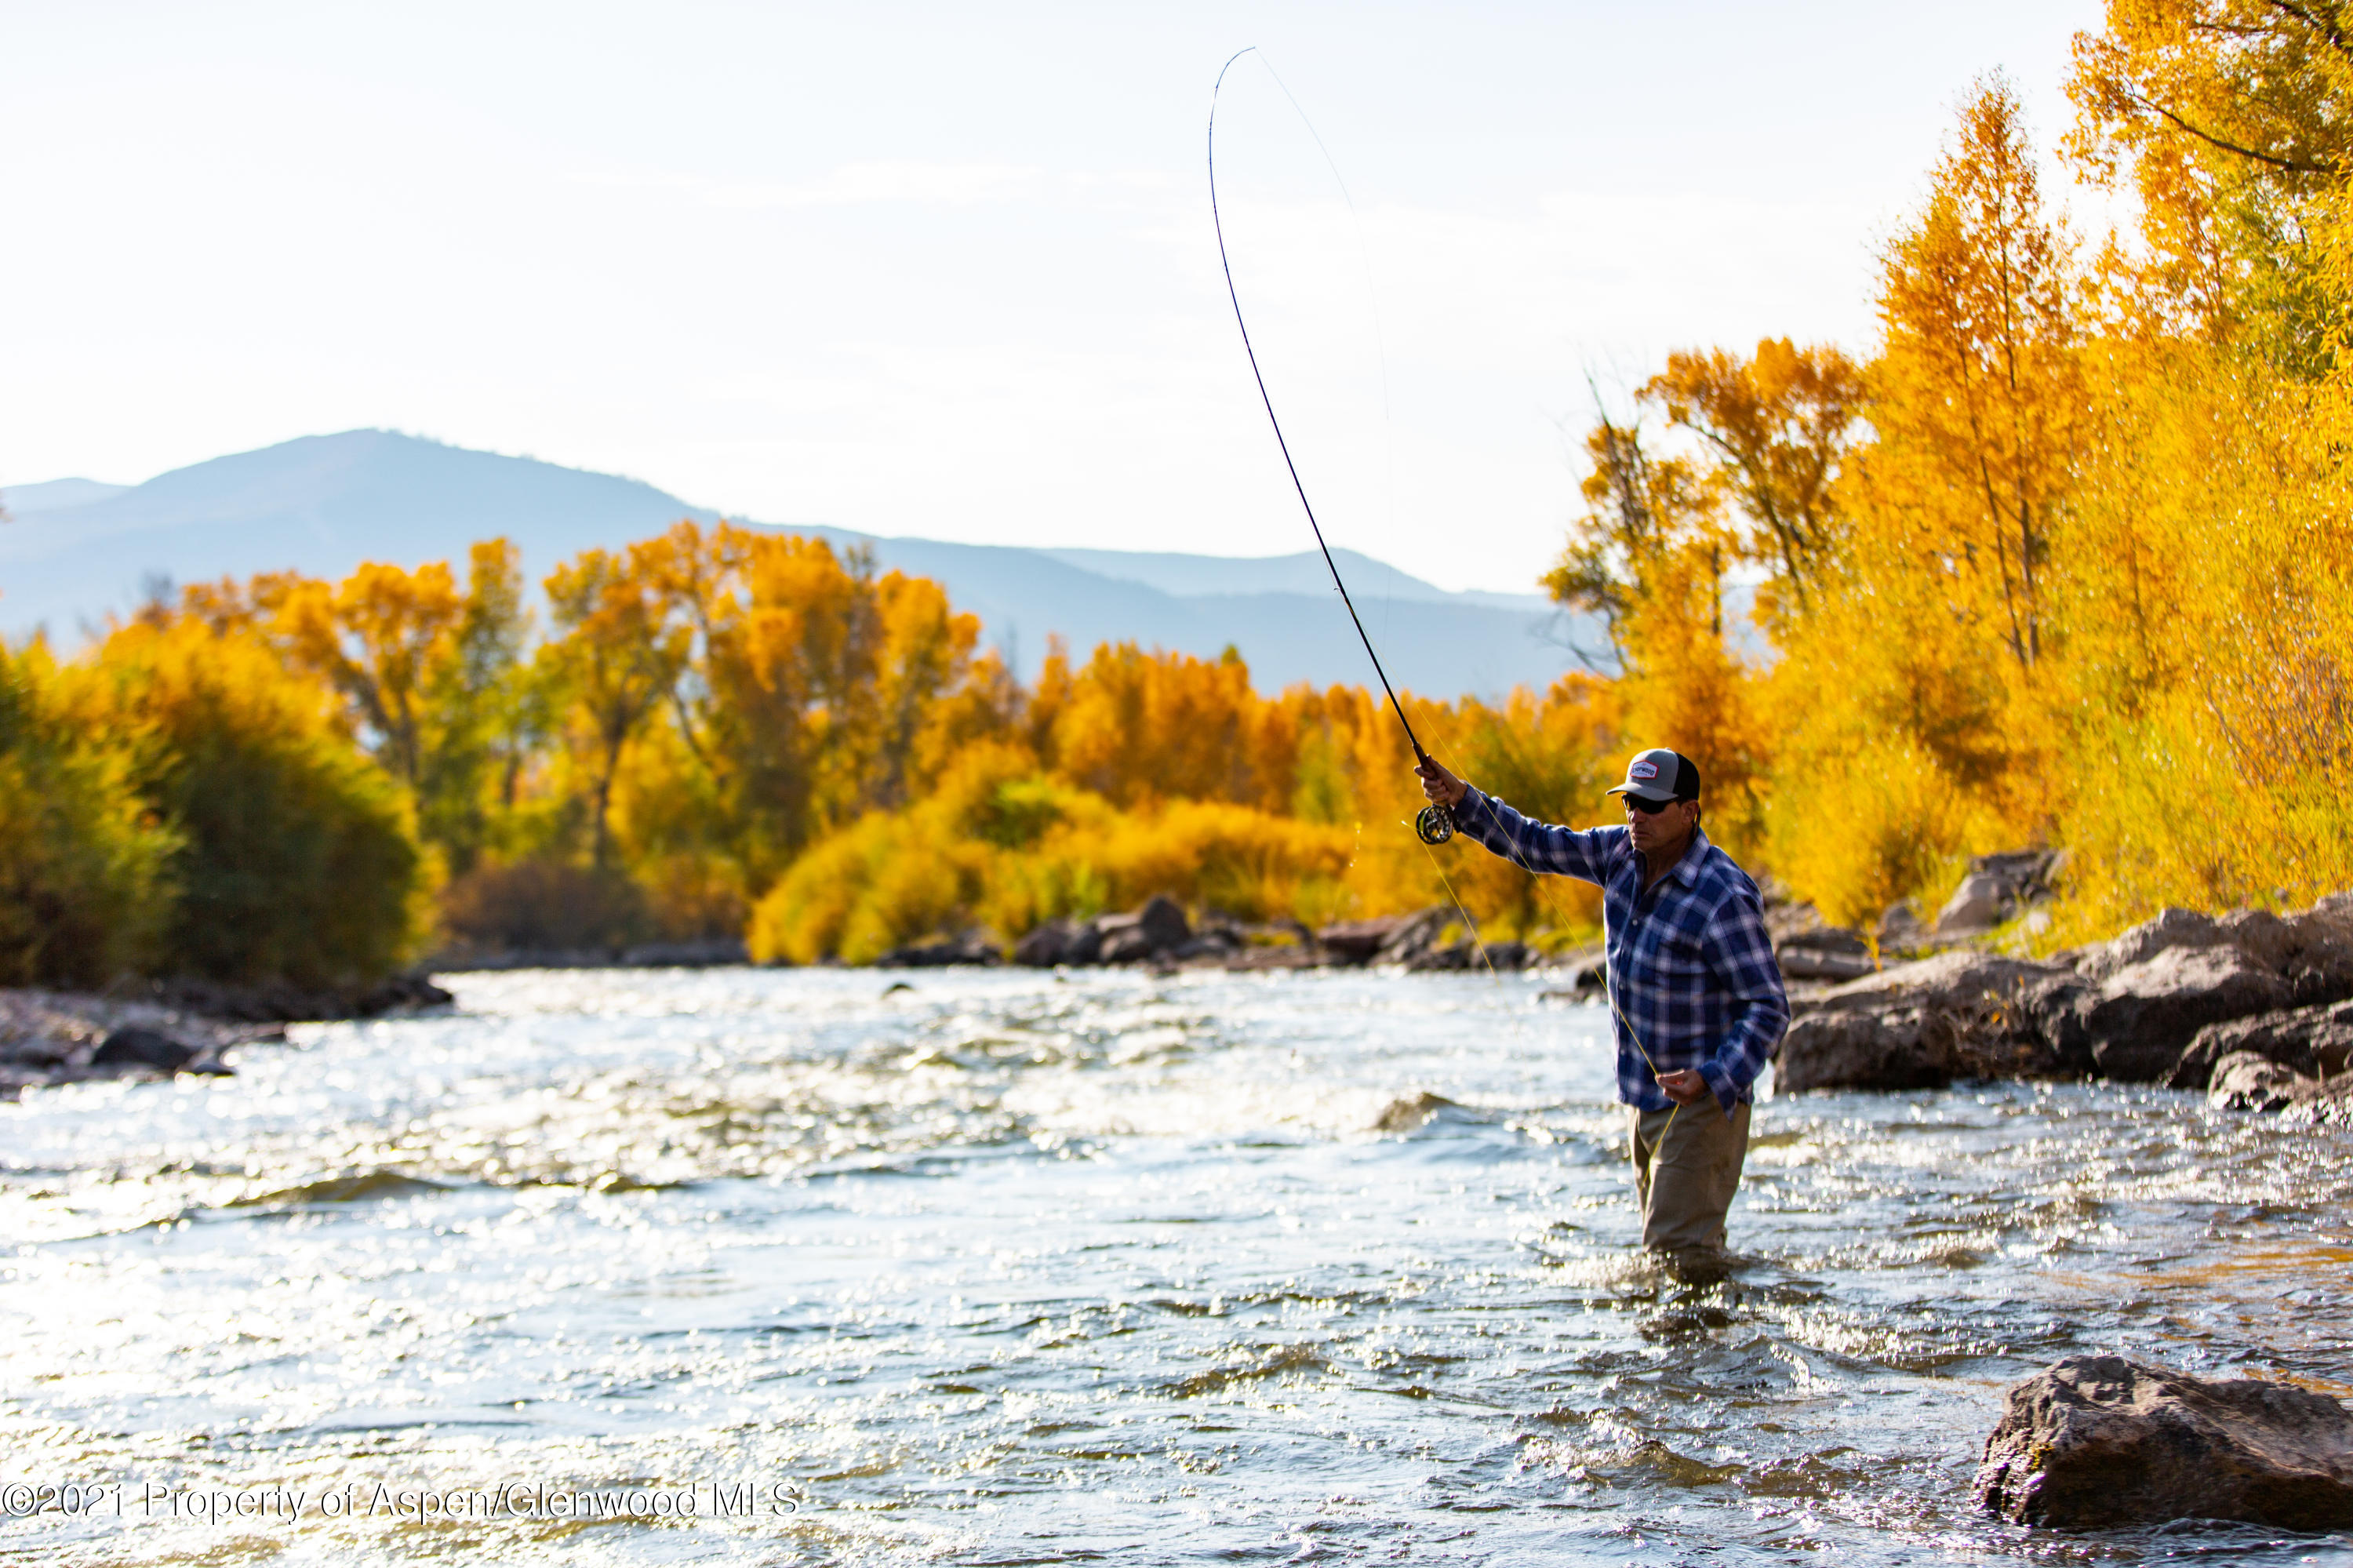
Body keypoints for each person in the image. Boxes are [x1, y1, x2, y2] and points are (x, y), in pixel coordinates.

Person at [1415, 747, 1788, 1268]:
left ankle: (1717, 1346)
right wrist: (1465, 802)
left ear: (1690, 812)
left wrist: (1712, 1076)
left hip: (1705, 1106)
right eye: (1631, 802)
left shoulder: (1722, 894)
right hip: (1643, 1101)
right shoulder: (1617, 853)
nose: (1637, 815)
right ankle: (1717, 1342)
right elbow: (1536, 843)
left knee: (1675, 1256)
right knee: (1680, 1261)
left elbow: (1768, 1007)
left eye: (1652, 806)